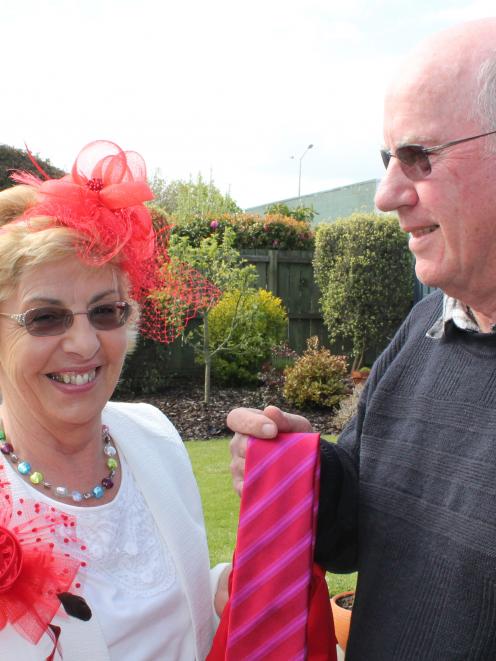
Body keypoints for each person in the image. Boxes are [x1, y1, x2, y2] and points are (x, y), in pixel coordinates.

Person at [228, 17, 496, 660]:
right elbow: (357, 533)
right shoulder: (427, 326)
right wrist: (303, 472)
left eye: (419, 157)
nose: (385, 195)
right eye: (388, 159)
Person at [0, 140, 229, 660]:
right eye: (45, 317)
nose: (84, 344)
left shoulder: (153, 435)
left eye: (106, 312)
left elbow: (167, 614)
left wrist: (221, 591)